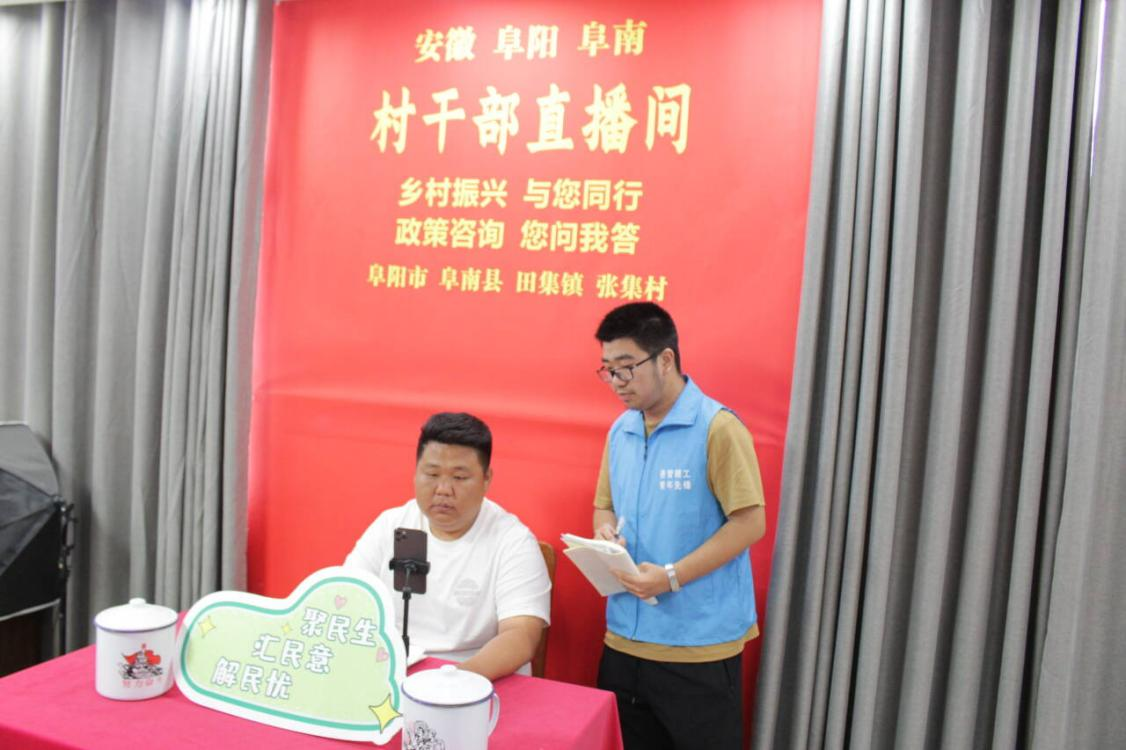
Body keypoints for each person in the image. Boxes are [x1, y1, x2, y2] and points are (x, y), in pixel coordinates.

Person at [590, 302, 766, 750]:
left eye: (626, 367)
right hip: (624, 641)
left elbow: (750, 523)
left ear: (665, 359)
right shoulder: (621, 430)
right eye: (608, 370)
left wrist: (671, 576)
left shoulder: (717, 427)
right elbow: (604, 506)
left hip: (697, 647)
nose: (617, 381)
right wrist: (605, 534)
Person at [344, 412, 550, 680]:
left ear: (486, 479)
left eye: (459, 477)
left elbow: (521, 634)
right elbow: (347, 597)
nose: (443, 489)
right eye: (431, 474)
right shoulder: (391, 525)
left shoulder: (513, 541)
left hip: (478, 676)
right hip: (392, 669)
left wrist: (453, 682)